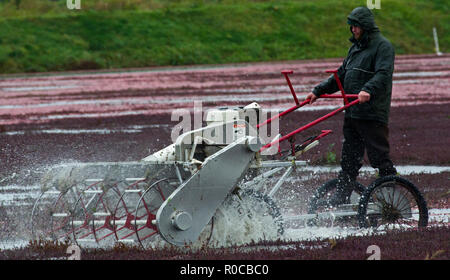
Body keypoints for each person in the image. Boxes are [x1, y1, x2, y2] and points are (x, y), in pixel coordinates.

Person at [305, 6, 397, 206]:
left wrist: (368, 90)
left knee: (379, 158)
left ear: (365, 26)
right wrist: (318, 91)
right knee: (349, 158)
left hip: (372, 113)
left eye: (356, 26)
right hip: (353, 111)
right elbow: (341, 75)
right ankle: (342, 195)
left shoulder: (383, 47)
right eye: (351, 26)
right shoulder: (355, 48)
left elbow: (383, 74)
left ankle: (392, 197)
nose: (353, 30)